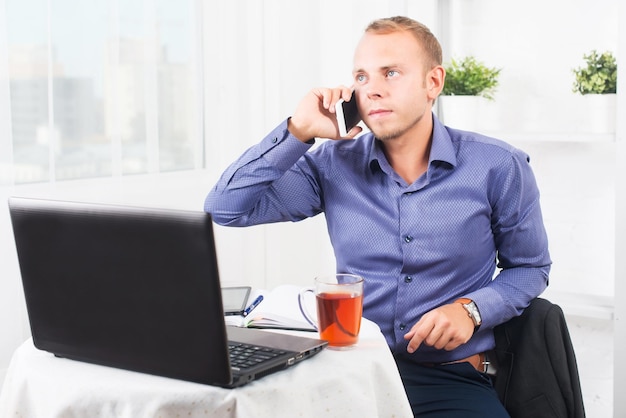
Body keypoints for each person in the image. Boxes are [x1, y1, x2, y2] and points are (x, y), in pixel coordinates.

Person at [205, 16, 550, 417]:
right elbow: (226, 208)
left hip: (450, 377)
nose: (373, 90)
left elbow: (530, 267)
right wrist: (299, 130)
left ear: (433, 83)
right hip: (350, 369)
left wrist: (472, 310)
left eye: (391, 73)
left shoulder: (498, 166)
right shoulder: (331, 165)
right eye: (362, 77)